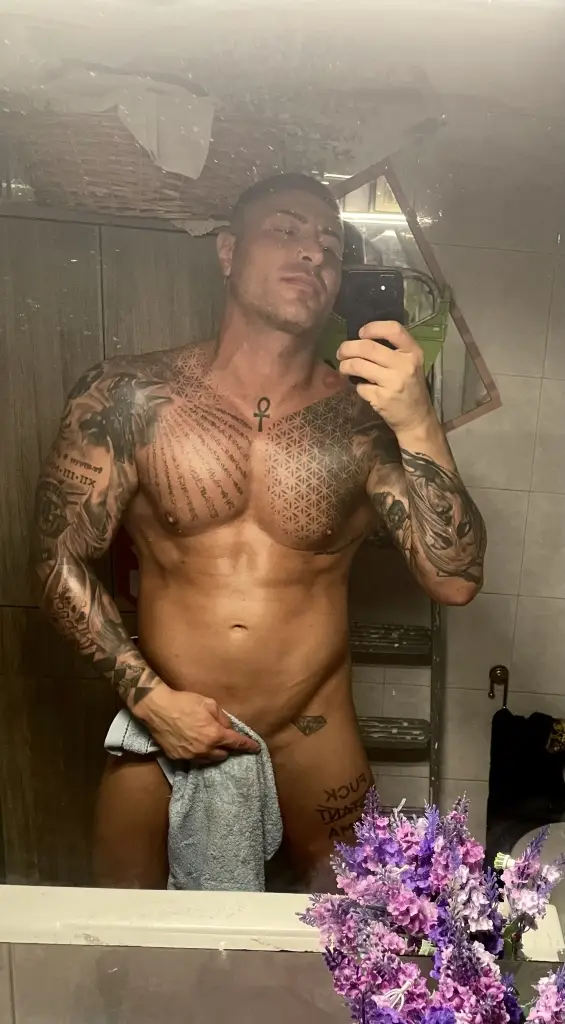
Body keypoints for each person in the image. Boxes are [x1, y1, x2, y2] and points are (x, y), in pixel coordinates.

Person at [33, 173, 486, 890]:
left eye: (330, 244)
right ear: (227, 251)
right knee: (125, 941)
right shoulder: (128, 395)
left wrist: (418, 422)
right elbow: (57, 558)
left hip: (314, 733)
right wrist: (149, 699)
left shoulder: (365, 426)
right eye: (286, 230)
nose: (313, 253)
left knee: (352, 939)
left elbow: (454, 581)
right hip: (167, 718)